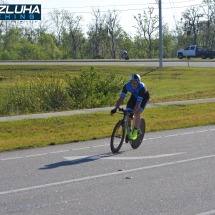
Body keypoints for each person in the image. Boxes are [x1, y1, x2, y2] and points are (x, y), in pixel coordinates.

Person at [110, 74, 149, 140]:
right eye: (133, 82)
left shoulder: (141, 88)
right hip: (134, 96)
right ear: (130, 82)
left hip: (143, 98)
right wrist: (115, 108)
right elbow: (121, 98)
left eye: (137, 83)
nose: (135, 84)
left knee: (137, 113)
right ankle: (129, 130)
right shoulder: (126, 86)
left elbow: (138, 103)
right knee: (127, 113)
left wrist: (133, 113)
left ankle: (135, 132)